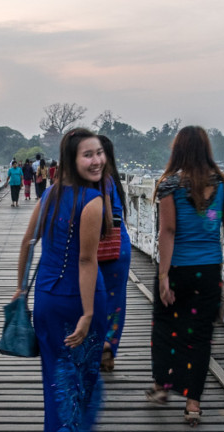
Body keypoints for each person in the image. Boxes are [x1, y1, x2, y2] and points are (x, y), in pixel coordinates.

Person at [13, 128, 111, 432]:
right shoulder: (93, 200)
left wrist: (21, 288)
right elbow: (87, 261)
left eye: (99, 153)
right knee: (83, 375)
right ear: (72, 159)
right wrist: (87, 314)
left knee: (56, 375)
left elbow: (27, 241)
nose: (96, 160)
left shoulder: (51, 193)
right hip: (81, 299)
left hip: (47, 299)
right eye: (88, 154)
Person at [146, 125, 224, 427]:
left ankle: (162, 388)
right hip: (208, 272)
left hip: (177, 270)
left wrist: (162, 277)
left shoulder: (169, 185)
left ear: (178, 150)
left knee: (165, 327)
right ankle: (193, 405)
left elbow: (168, 231)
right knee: (199, 338)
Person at [96, 135, 131, 373]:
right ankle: (109, 347)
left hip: (98, 246)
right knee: (115, 301)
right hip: (121, 245)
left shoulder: (98, 180)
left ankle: (98, 345)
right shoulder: (115, 181)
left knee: (91, 298)